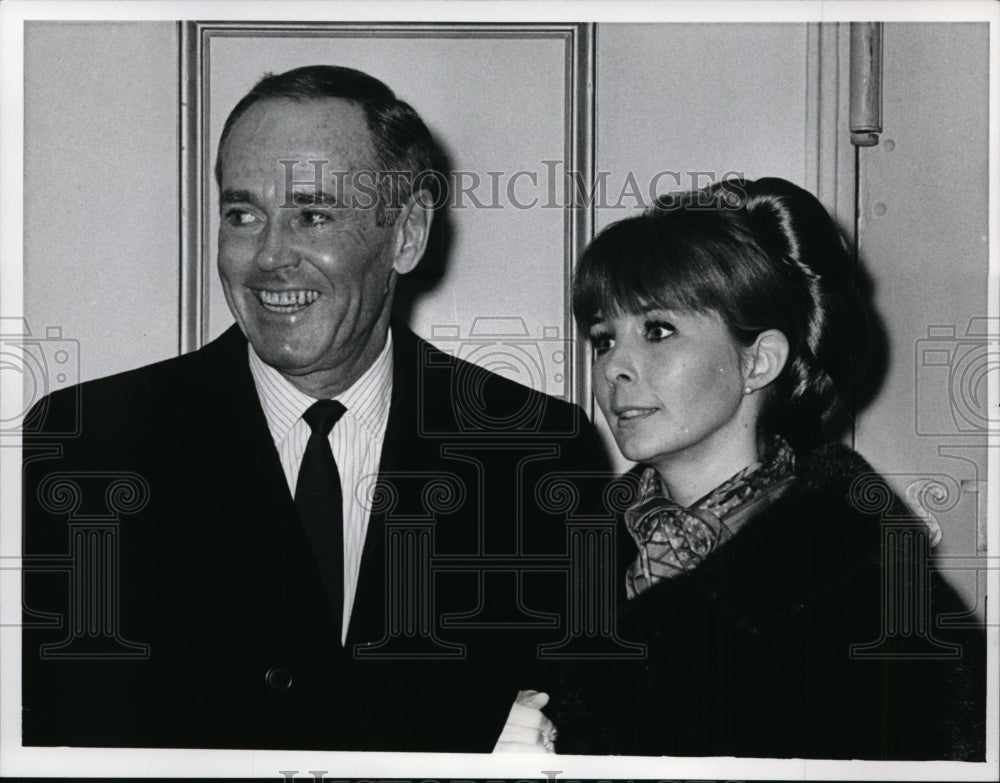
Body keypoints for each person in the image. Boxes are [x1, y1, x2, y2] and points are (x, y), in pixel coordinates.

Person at [21, 65, 607, 752]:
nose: (270, 256)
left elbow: (586, 719)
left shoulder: (536, 450)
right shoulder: (87, 443)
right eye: (243, 215)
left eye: (312, 214)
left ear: (407, 234)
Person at [544, 177, 985, 759]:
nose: (614, 369)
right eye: (603, 339)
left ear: (758, 361)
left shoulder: (882, 604)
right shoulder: (551, 563)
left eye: (657, 330)